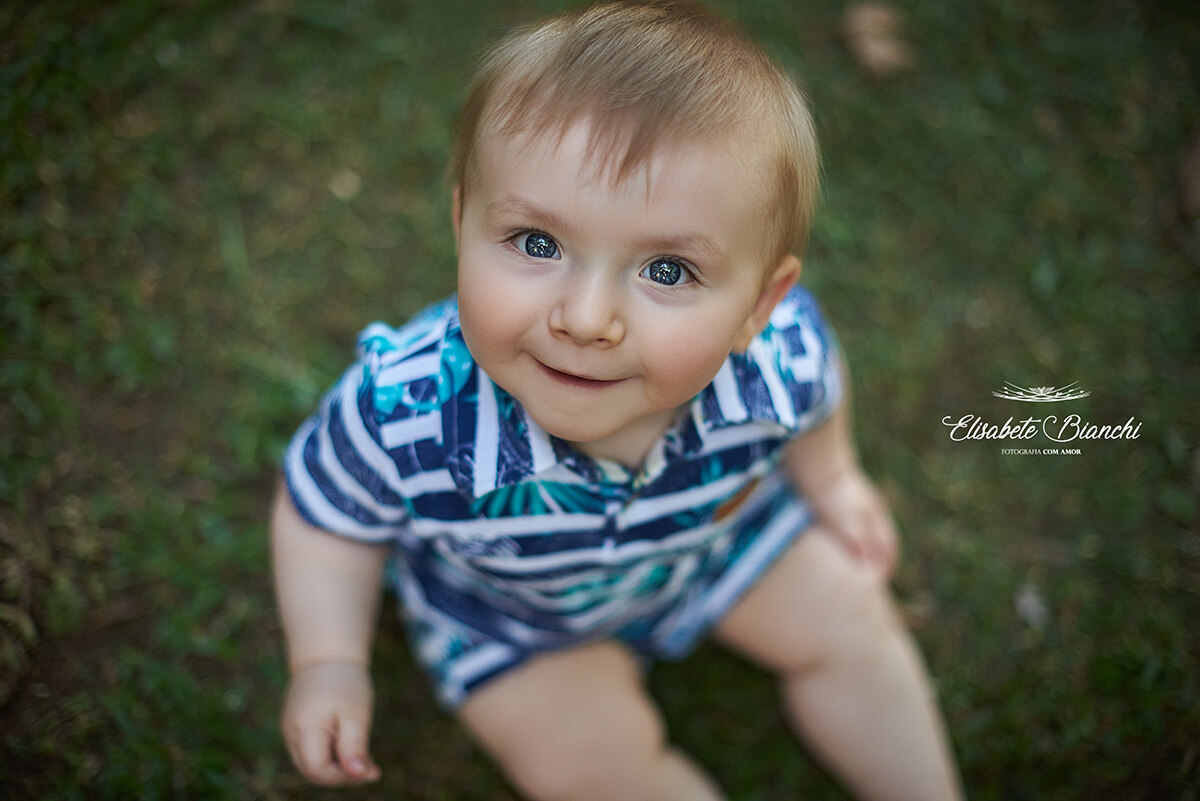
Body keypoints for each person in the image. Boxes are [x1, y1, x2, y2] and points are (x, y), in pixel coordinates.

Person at [271, 2, 965, 799]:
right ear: (463, 222)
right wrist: (327, 659)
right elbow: (326, 515)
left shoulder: (775, 366)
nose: (586, 317)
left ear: (757, 307)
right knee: (588, 765)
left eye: (667, 270)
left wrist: (833, 477)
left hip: (710, 545)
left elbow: (819, 392)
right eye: (538, 243)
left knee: (853, 622)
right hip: (515, 619)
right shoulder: (406, 410)